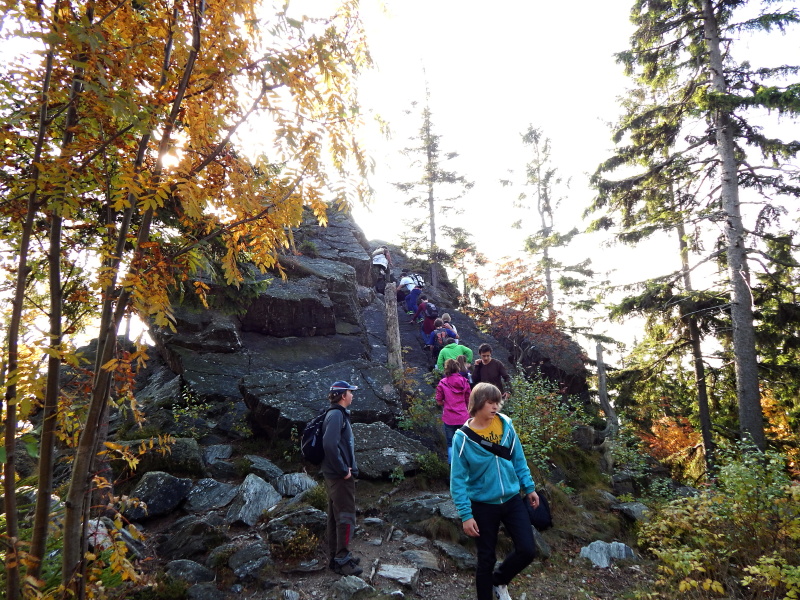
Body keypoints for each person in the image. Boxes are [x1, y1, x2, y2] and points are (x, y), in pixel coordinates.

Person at [450, 383, 539, 600]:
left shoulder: (505, 424)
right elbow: (457, 480)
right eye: (490, 402)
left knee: (527, 550)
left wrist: (529, 487)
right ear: (478, 403)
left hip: (512, 499)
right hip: (483, 505)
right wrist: (466, 515)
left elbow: (518, 458)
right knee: (486, 559)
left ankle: (499, 580)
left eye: (497, 402)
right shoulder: (462, 438)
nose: (495, 407)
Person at [321, 381, 363, 576]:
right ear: (343, 395)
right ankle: (342, 560)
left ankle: (336, 556)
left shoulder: (335, 414)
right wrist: (343, 470)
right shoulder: (337, 415)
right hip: (339, 476)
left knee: (334, 517)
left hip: (334, 474)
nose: (352, 395)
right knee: (346, 516)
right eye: (350, 392)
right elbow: (329, 445)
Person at [436, 359, 471, 463]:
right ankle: (465, 465)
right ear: (458, 368)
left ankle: (452, 466)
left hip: (449, 418)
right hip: (463, 417)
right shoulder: (464, 381)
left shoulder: (443, 382)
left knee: (450, 444)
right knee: (464, 443)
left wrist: (446, 403)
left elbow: (438, 401)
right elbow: (469, 400)